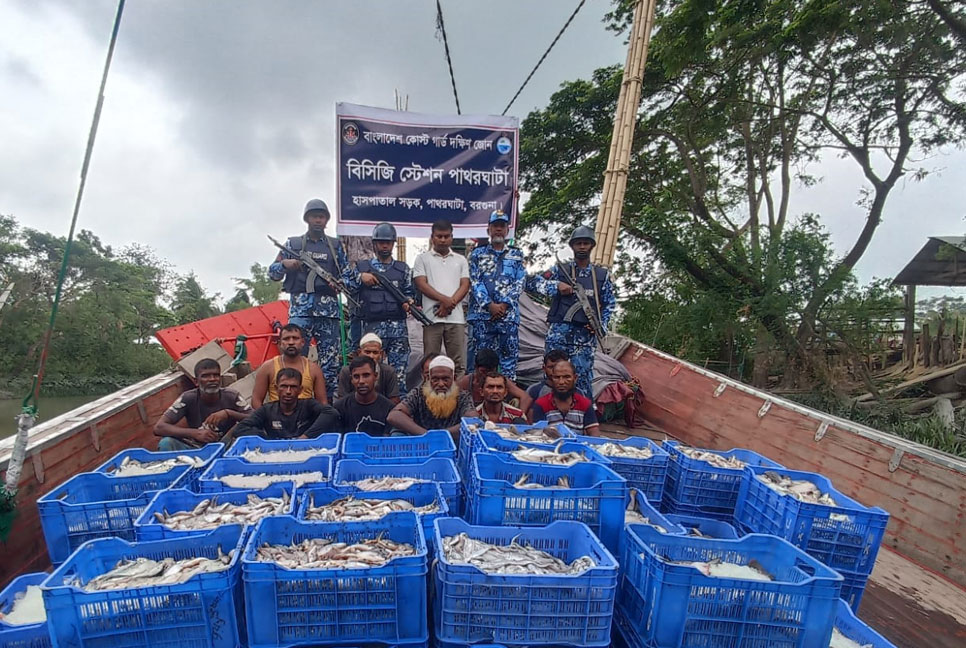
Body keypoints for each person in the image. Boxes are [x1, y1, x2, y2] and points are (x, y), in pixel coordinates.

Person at [268, 198, 356, 399]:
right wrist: (286, 264)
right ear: (307, 219)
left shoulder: (335, 246)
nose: (318, 220)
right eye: (315, 216)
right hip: (301, 312)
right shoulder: (294, 244)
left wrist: (339, 282)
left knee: (330, 364)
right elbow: (272, 273)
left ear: (327, 220)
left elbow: (348, 276)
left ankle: (328, 406)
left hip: (329, 313)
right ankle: (296, 402)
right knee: (295, 360)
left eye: (322, 217)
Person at [527, 225, 617, 399]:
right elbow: (532, 283)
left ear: (591, 246)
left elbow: (609, 304)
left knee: (581, 379)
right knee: (552, 377)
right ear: (572, 246)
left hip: (584, 337)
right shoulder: (560, 270)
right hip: (559, 334)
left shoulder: (601, 275)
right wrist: (555, 286)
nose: (582, 247)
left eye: (585, 243)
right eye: (578, 243)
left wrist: (600, 326)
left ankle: (582, 416)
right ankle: (548, 411)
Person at [348, 222, 416, 386]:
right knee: (368, 375)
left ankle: (398, 409)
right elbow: (343, 284)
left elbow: (409, 292)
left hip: (398, 330)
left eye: (388, 242)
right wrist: (360, 278)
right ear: (374, 243)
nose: (385, 245)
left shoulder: (403, 269)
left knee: (399, 377)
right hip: (371, 329)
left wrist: (410, 301)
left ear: (393, 243)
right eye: (381, 242)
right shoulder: (362, 267)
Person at [466, 210, 526, 379]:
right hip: (483, 317)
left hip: (508, 317)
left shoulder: (517, 254)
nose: (498, 230)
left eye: (502, 226)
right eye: (495, 226)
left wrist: (505, 305)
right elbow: (475, 281)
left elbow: (520, 282)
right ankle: (480, 399)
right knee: (483, 362)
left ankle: (507, 399)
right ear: (488, 230)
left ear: (507, 230)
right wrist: (489, 305)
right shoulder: (477, 254)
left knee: (509, 361)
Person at [413, 219, 471, 376]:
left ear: (452, 237)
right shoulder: (422, 259)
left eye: (446, 236)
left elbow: (465, 285)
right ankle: (429, 399)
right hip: (431, 318)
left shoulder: (461, 260)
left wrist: (449, 304)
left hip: (456, 319)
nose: (443, 240)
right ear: (432, 237)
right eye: (439, 236)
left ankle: (458, 398)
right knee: (430, 363)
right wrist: (444, 300)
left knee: (458, 364)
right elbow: (421, 284)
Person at [154, 358, 252, 450]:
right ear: (196, 381)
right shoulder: (187, 398)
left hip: (229, 446)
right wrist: (195, 433)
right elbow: (159, 427)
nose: (212, 379)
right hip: (196, 448)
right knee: (166, 443)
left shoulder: (232, 396)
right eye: (206, 376)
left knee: (252, 433)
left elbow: (257, 418)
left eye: (216, 375)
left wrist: (229, 413)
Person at [230, 368, 340, 440]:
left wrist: (305, 436)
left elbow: (331, 413)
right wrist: (267, 440)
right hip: (275, 454)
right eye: (284, 386)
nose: (288, 391)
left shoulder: (308, 405)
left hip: (306, 450)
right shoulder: (267, 410)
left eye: (293, 387)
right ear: (276, 388)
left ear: (300, 390)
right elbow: (240, 429)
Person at [387, 355, 475, 436]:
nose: (441, 384)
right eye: (435, 379)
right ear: (428, 379)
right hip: (421, 441)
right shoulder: (418, 393)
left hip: (452, 441)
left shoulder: (463, 396)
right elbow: (394, 415)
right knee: (397, 431)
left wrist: (442, 435)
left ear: (454, 378)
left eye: (445, 379)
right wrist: (426, 435)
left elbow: (473, 420)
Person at [251, 323, 327, 408]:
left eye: (295, 338)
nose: (291, 342)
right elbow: (256, 400)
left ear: (302, 342)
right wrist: (266, 419)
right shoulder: (268, 367)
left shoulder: (314, 369)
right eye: (286, 339)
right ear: (280, 343)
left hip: (305, 418)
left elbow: (322, 402)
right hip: (275, 418)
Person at [530, 360, 600, 436]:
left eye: (566, 377)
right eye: (557, 377)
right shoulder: (541, 404)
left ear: (575, 378)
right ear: (551, 379)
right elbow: (537, 435)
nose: (561, 382)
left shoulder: (585, 404)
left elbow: (594, 434)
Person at [334, 356, 396, 436]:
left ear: (375, 376)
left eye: (366, 375)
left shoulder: (389, 409)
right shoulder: (340, 408)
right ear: (351, 379)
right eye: (356, 377)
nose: (361, 381)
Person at [458, 348, 532, 412]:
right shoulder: (466, 382)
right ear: (475, 368)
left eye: (490, 371)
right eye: (483, 371)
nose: (486, 375)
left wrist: (519, 417)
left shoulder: (501, 381)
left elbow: (526, 398)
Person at [336, 333, 401, 402]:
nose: (371, 356)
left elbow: (394, 401)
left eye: (375, 352)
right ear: (359, 352)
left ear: (381, 354)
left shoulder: (389, 372)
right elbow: (342, 400)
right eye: (367, 352)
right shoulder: (347, 371)